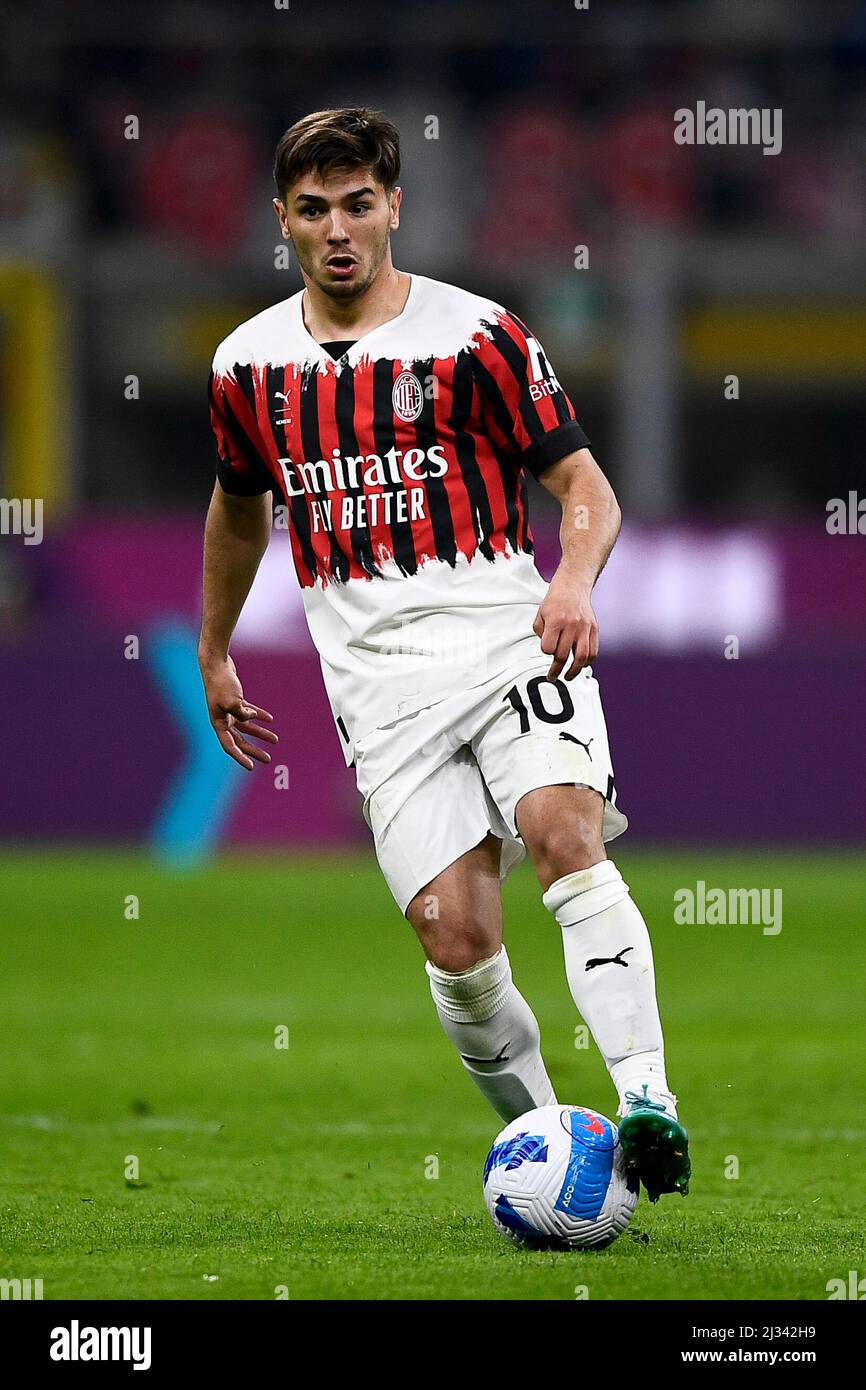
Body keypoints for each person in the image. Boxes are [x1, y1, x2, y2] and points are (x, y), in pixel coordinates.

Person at [199, 106, 690, 1202]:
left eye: (359, 205)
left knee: (564, 835)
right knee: (456, 942)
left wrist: (569, 582)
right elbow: (238, 512)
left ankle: (647, 1096)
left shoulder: (477, 336)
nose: (338, 229)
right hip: (378, 690)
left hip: (506, 640)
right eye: (314, 209)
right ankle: (557, 1145)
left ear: (394, 209)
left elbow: (585, 490)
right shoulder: (245, 366)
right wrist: (214, 647)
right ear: (282, 220)